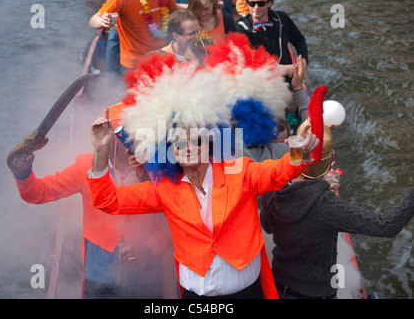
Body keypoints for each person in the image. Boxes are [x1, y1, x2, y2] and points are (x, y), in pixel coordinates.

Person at [85, 34, 321, 299]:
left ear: (210, 142)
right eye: (177, 141)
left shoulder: (240, 171)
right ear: (169, 151)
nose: (187, 145)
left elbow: (281, 171)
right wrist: (101, 151)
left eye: (196, 138)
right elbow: (108, 201)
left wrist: (300, 148)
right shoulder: (164, 189)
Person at [7, 104, 177, 299]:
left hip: (145, 275)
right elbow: (37, 193)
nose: (124, 141)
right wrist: (22, 172)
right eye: (117, 134)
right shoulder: (85, 166)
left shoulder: (159, 169)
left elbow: (177, 219)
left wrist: (150, 247)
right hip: (99, 275)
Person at [259, 121, 414, 299]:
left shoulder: (271, 189)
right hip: (315, 294)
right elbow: (387, 226)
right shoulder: (327, 205)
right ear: (330, 158)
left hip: (278, 288)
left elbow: (268, 226)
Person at [89, 0, 178, 75]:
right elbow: (93, 20)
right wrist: (102, 21)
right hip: (133, 64)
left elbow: (174, 10)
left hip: (160, 57)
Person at [236, 0, 308, 79]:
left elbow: (298, 40)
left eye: (261, 3)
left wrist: (303, 61)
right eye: (252, 4)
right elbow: (248, 65)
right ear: (247, 4)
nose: (256, 7)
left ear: (269, 3)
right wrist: (282, 69)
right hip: (261, 80)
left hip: (287, 78)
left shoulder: (282, 18)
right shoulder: (241, 27)